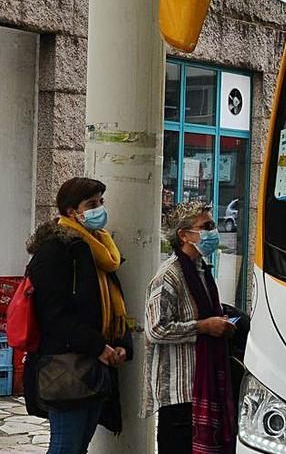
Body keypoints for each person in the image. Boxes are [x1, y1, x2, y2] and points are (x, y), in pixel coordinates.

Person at [25, 177, 132, 454]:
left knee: (79, 445)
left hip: (97, 363)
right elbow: (53, 316)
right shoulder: (56, 250)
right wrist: (97, 346)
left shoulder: (100, 250)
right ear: (73, 211)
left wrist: (121, 344)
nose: (99, 209)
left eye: (101, 202)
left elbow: (112, 303)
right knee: (66, 446)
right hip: (65, 363)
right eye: (91, 204)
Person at [146, 201, 238, 454]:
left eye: (213, 225)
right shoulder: (170, 275)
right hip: (180, 389)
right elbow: (156, 329)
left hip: (203, 380)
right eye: (205, 226)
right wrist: (203, 327)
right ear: (184, 235)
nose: (213, 232)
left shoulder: (202, 271)